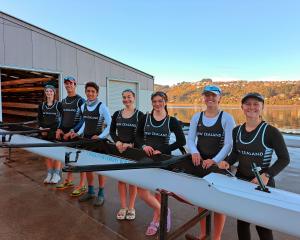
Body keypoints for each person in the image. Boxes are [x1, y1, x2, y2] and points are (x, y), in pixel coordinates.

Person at [218, 92, 290, 240]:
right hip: (241, 181)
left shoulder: (271, 132)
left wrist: (267, 175)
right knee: (242, 222)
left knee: (262, 225)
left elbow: (284, 159)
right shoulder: (236, 130)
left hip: (263, 184)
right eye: (247, 104)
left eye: (256, 104)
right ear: (242, 107)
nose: (251, 107)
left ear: (262, 107)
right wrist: (228, 162)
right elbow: (236, 153)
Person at [187, 85, 235, 240]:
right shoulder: (196, 117)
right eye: (207, 95)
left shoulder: (227, 118)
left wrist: (214, 160)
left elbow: (228, 144)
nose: (210, 98)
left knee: (219, 204)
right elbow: (190, 139)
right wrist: (194, 152)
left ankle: (217, 237)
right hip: (201, 163)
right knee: (202, 201)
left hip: (218, 165)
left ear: (220, 98)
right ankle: (203, 234)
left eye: (213, 96)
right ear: (204, 97)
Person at [135, 91, 186, 236]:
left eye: (160, 101)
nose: (157, 104)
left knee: (159, 192)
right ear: (152, 102)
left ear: (165, 101)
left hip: (163, 160)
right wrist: (144, 146)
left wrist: (163, 150)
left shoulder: (172, 121)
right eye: (154, 101)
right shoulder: (145, 118)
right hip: (146, 158)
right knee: (142, 190)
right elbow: (137, 136)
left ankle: (156, 221)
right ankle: (163, 210)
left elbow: (182, 141)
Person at [71, 81, 111, 206]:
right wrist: (78, 133)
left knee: (99, 169)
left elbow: (110, 125)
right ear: (85, 92)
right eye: (88, 91)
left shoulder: (102, 106)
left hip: (99, 142)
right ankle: (91, 191)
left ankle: (101, 193)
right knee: (88, 167)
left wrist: (99, 136)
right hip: (86, 141)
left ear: (97, 93)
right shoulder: (83, 107)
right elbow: (85, 123)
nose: (90, 93)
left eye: (93, 91)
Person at [110, 89, 144, 220]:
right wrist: (117, 141)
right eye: (124, 97)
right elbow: (112, 131)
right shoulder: (117, 114)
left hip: (133, 151)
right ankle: (123, 207)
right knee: (121, 180)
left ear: (134, 98)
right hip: (120, 150)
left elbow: (142, 135)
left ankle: (131, 207)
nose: (126, 100)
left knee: (132, 180)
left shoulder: (140, 115)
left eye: (129, 97)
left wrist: (131, 144)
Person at [55, 76, 86, 196]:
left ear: (75, 85)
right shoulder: (63, 101)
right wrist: (59, 129)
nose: (68, 86)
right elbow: (61, 117)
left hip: (76, 134)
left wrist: (73, 131)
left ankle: (82, 185)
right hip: (65, 134)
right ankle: (69, 180)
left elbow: (84, 119)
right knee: (68, 158)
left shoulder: (80, 101)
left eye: (70, 83)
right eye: (66, 84)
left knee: (81, 159)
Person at [37, 84, 63, 184]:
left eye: (51, 91)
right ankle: (49, 173)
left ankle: (56, 174)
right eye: (47, 91)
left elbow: (62, 119)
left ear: (54, 92)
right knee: (46, 153)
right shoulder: (41, 105)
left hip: (55, 132)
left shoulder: (58, 105)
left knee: (56, 153)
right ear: (45, 92)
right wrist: (41, 128)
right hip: (44, 132)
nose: (49, 93)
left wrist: (57, 129)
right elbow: (39, 119)